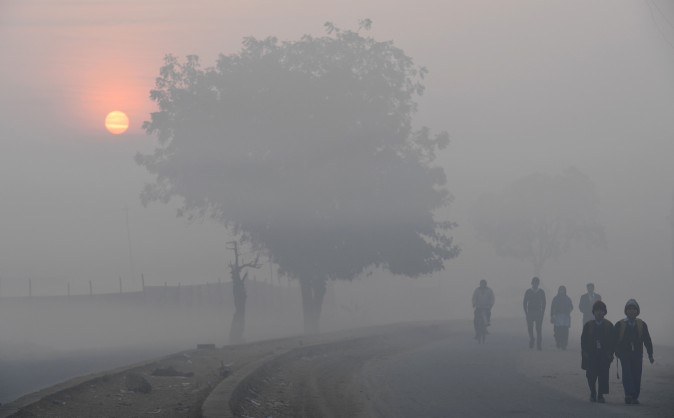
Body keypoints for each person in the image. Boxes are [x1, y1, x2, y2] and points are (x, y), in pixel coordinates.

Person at [613, 299, 654, 405]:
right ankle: (628, 394)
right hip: (624, 354)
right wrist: (615, 351)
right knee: (627, 373)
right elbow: (614, 340)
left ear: (637, 311)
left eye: (634, 309)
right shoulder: (620, 324)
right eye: (629, 309)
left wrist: (650, 354)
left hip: (637, 354)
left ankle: (635, 396)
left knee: (637, 374)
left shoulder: (642, 324)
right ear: (626, 311)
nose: (631, 311)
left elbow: (647, 340)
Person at [581, 300, 614, 403]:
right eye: (597, 310)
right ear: (593, 312)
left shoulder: (609, 325)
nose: (599, 312)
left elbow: (613, 341)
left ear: (605, 312)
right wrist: (585, 352)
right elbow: (583, 340)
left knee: (603, 375)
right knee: (590, 375)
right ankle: (593, 392)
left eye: (602, 310)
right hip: (591, 355)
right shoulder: (588, 325)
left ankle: (600, 395)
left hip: (604, 355)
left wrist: (610, 353)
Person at [523, 276, 546, 350]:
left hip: (538, 312)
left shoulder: (541, 292)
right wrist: (526, 312)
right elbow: (524, 302)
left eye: (536, 283)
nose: (535, 284)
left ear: (538, 284)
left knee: (538, 329)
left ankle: (539, 345)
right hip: (530, 312)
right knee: (530, 328)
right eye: (534, 283)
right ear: (532, 283)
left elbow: (544, 302)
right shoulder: (528, 291)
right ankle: (532, 338)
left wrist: (543, 312)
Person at [550, 285, 573, 350]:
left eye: (563, 290)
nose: (562, 291)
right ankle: (558, 342)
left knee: (565, 331)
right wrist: (552, 315)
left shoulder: (568, 299)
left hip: (565, 317)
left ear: (565, 291)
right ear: (559, 290)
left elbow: (571, 307)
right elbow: (552, 307)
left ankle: (564, 344)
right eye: (560, 290)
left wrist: (568, 310)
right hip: (557, 316)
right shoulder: (555, 298)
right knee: (557, 330)